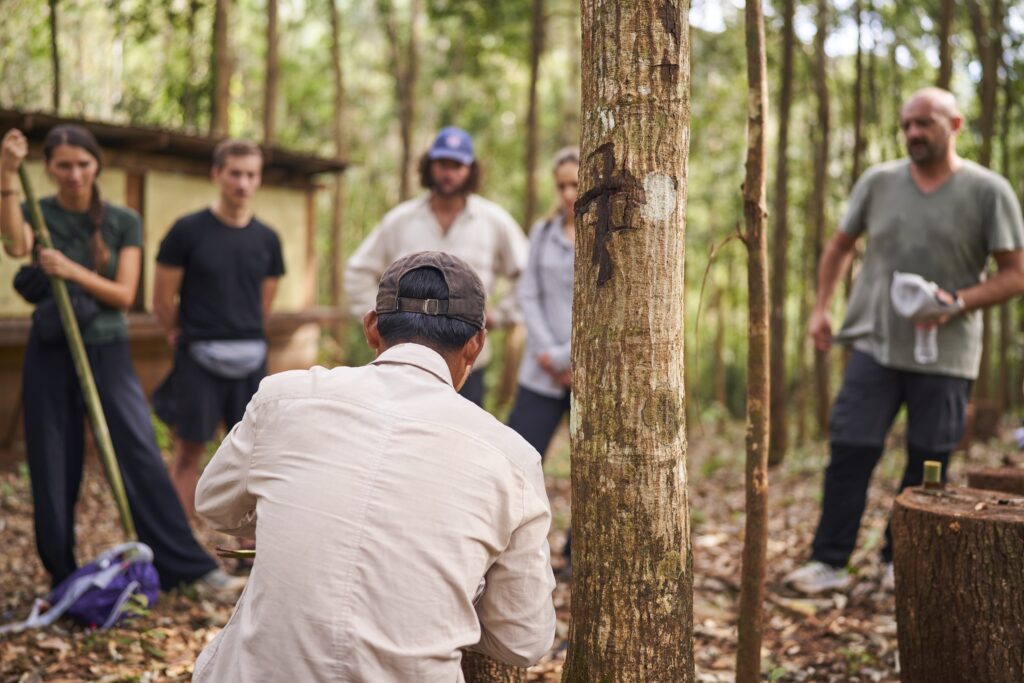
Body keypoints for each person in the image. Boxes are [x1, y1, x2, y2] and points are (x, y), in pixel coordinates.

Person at [192, 251, 556, 681]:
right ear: (476, 343)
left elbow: (215, 504)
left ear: (372, 327)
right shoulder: (511, 458)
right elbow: (524, 641)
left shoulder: (284, 399)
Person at [783, 88, 1024, 595]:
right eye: (906, 124)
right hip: (875, 342)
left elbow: (1015, 274)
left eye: (925, 123)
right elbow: (840, 245)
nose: (913, 132)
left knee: (929, 460)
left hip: (948, 354)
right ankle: (829, 561)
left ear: (955, 124)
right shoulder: (878, 182)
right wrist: (822, 308)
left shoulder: (989, 191)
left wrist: (955, 300)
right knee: (850, 448)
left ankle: (901, 562)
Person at [0, 125, 239, 595]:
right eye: (63, 165)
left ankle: (186, 568)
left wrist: (69, 270)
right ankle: (62, 576)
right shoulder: (37, 212)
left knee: (139, 451)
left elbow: (125, 293)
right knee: (51, 460)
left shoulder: (122, 220)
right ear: (48, 168)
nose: (73, 175)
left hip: (107, 348)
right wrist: (7, 170)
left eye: (83, 164)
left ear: (96, 166)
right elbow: (15, 245)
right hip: (50, 349)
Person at [345, 126, 528, 407]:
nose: (448, 173)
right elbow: (357, 271)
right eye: (443, 164)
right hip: (404, 362)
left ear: (471, 170)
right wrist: (386, 318)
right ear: (429, 167)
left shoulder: (492, 221)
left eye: (457, 165)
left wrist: (500, 315)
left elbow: (527, 274)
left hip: (467, 364)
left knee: (462, 443)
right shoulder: (401, 220)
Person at [152, 139, 284, 516]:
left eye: (251, 175)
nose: (243, 183)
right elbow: (162, 300)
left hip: (251, 357)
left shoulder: (267, 239)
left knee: (252, 455)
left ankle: (242, 552)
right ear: (217, 174)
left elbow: (265, 305)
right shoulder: (187, 231)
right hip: (198, 356)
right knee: (188, 451)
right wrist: (179, 332)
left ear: (258, 180)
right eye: (235, 173)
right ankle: (185, 551)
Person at [507, 147, 578, 458]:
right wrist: (550, 356)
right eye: (561, 186)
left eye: (575, 184)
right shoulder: (542, 231)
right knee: (514, 458)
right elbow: (528, 294)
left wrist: (569, 357)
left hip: (589, 371)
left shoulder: (610, 232)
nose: (568, 194)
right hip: (542, 369)